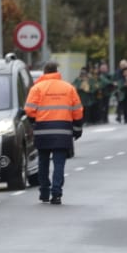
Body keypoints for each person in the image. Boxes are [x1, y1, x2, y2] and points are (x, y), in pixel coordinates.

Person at [25, 61, 84, 205]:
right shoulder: (68, 88)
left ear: (44, 72)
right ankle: (56, 194)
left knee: (43, 162)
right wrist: (77, 130)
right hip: (63, 130)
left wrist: (34, 121)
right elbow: (78, 111)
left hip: (43, 130)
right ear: (57, 71)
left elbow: (29, 110)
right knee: (59, 164)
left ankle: (44, 192)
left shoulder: (37, 88)